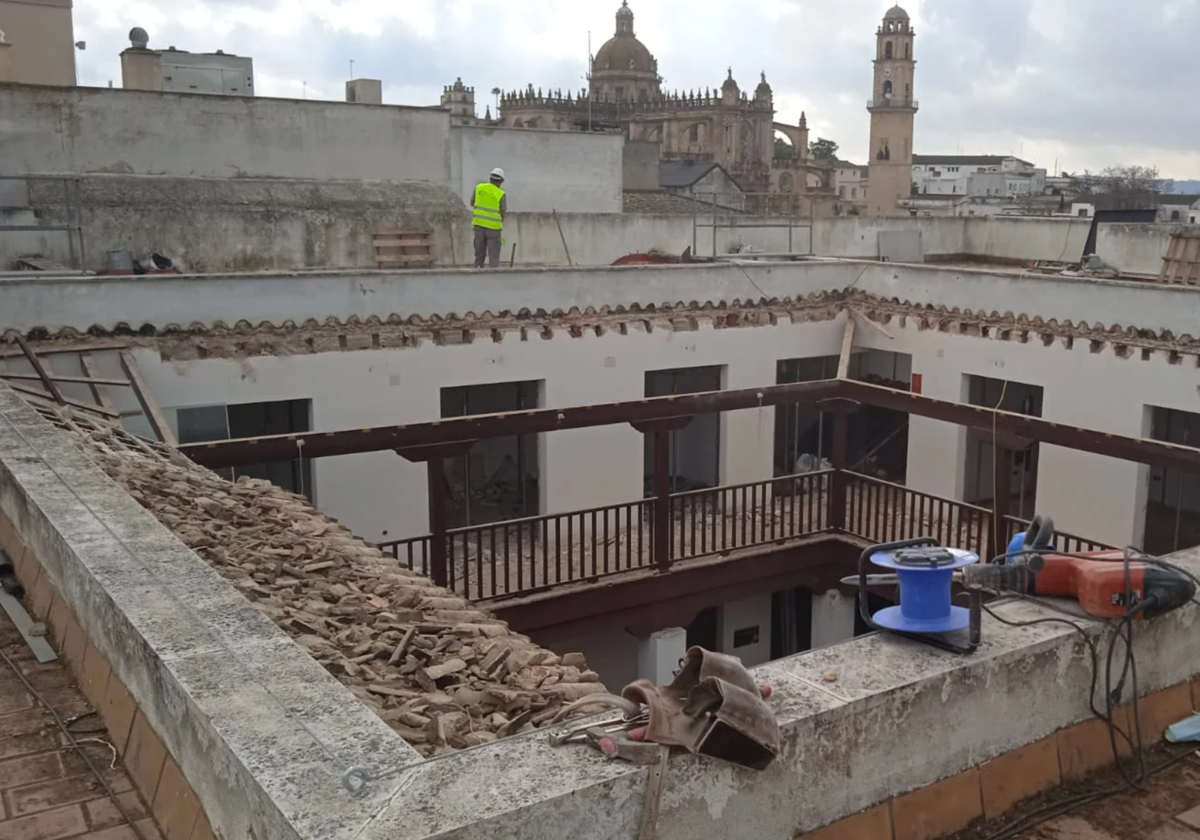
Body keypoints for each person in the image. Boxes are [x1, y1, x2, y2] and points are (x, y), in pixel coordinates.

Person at [470, 168, 507, 268]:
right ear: (501, 181)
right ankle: (493, 276)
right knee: (493, 254)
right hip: (494, 228)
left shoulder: (479, 187)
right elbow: (502, 212)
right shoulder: (500, 193)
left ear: (490, 178)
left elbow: (472, 203)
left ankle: (477, 271)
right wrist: (500, 223)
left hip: (478, 224)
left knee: (479, 252)